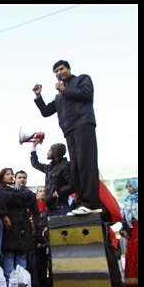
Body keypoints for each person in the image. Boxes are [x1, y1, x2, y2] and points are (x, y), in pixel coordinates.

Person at [33, 60, 101, 216]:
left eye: (61, 69)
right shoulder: (59, 96)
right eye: (56, 71)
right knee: (76, 168)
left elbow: (87, 95)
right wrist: (38, 96)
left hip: (83, 125)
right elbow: (46, 111)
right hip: (69, 131)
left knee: (86, 164)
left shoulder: (82, 79)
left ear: (69, 69)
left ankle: (92, 203)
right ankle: (83, 203)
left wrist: (65, 90)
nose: (59, 73)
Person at [0, 169, 37, 285]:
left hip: (23, 228)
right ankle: (10, 284)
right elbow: (7, 198)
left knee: (21, 255)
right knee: (9, 255)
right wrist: (20, 197)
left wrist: (17, 196)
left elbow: (30, 197)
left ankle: (22, 284)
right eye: (8, 174)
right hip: (10, 228)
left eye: (11, 174)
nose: (10, 176)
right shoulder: (2, 190)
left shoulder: (23, 192)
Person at [30, 141, 73, 216]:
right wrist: (34, 147)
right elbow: (35, 163)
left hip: (61, 208)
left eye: (49, 150)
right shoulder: (50, 167)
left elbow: (72, 185)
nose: (47, 152)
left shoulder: (66, 166)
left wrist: (57, 193)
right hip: (51, 209)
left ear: (54, 152)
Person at [120, 179, 138, 287]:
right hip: (132, 229)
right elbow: (124, 217)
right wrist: (124, 229)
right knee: (131, 253)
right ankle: (132, 283)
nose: (128, 188)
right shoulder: (127, 200)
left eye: (130, 186)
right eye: (127, 186)